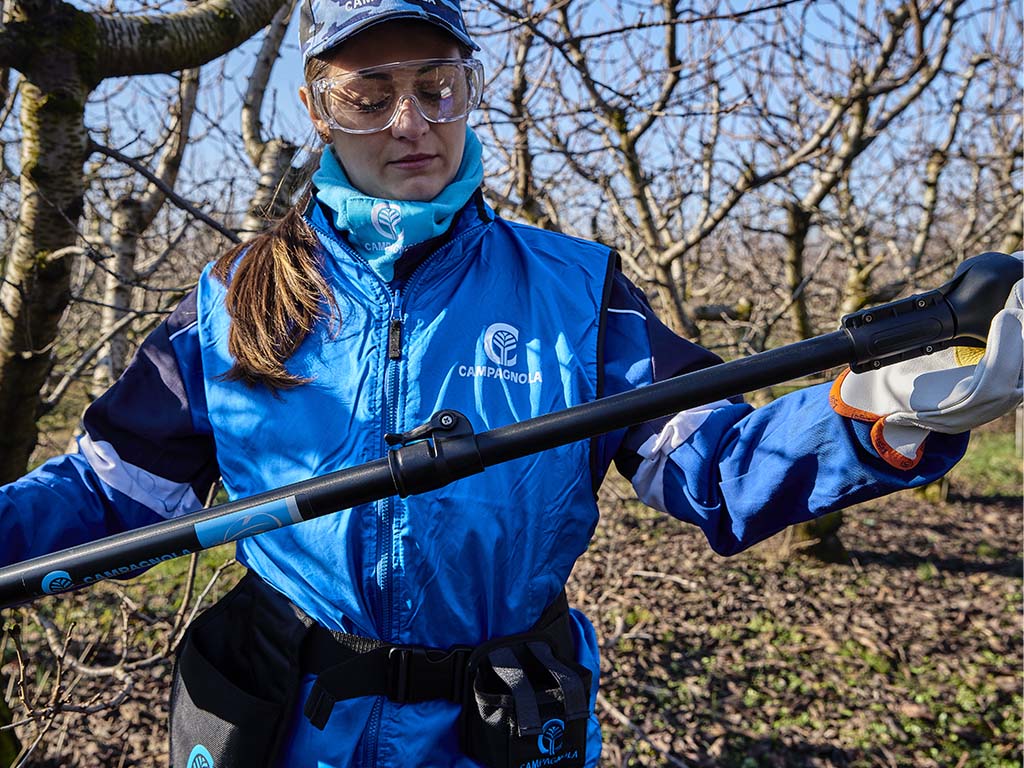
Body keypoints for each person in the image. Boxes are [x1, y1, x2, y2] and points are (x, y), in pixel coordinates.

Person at [1, 1, 1021, 766]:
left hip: (495, 720)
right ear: (318, 110)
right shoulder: (232, 302)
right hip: (287, 718)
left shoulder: (574, 290)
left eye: (438, 86)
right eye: (369, 94)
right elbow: (112, 493)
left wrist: (870, 417)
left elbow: (706, 461)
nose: (412, 121)